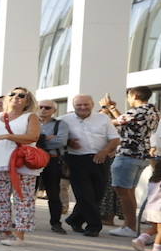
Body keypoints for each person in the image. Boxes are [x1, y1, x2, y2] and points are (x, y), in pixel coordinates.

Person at [0, 87, 42, 245]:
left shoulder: (31, 117)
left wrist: (7, 136)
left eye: (22, 95)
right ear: (7, 98)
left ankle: (19, 236)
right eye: (13, 94)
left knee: (23, 199)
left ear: (27, 101)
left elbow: (33, 136)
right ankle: (3, 231)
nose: (16, 97)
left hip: (21, 164)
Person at [100, 87, 158, 238]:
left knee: (122, 191)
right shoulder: (152, 110)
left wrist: (105, 110)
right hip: (141, 156)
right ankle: (131, 225)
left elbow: (112, 123)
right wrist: (113, 108)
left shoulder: (137, 111)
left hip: (128, 155)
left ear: (135, 96)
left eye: (129, 96)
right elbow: (126, 121)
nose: (128, 100)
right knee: (129, 190)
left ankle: (130, 226)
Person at [60, 94, 120, 237]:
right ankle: (94, 226)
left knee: (98, 194)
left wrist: (105, 151)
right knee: (84, 195)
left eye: (86, 104)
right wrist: (67, 142)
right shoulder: (63, 120)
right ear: (73, 106)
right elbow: (52, 137)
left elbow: (115, 139)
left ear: (92, 105)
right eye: (79, 105)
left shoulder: (103, 118)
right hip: (75, 160)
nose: (82, 107)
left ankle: (74, 219)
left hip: (100, 159)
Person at [35, 99, 69, 232]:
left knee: (54, 193)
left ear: (54, 110)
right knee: (28, 192)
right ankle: (24, 219)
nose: (43, 109)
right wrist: (46, 138)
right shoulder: (31, 122)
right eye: (41, 107)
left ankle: (56, 222)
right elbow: (27, 139)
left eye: (47, 108)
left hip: (52, 160)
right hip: (33, 161)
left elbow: (61, 142)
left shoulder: (61, 124)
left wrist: (39, 139)